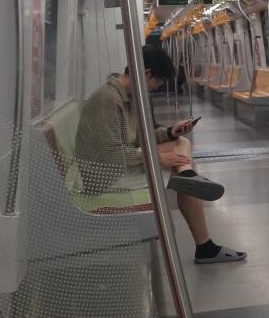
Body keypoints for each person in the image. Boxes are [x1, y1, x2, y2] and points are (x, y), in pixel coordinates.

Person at [76, 43, 246, 264]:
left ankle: (187, 176)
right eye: (157, 82)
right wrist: (157, 158)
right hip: (103, 178)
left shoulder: (126, 96)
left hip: (116, 168)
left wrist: (169, 132)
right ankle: (203, 241)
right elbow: (111, 155)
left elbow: (138, 139)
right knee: (179, 162)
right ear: (146, 73)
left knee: (180, 141)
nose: (154, 88)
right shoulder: (107, 99)